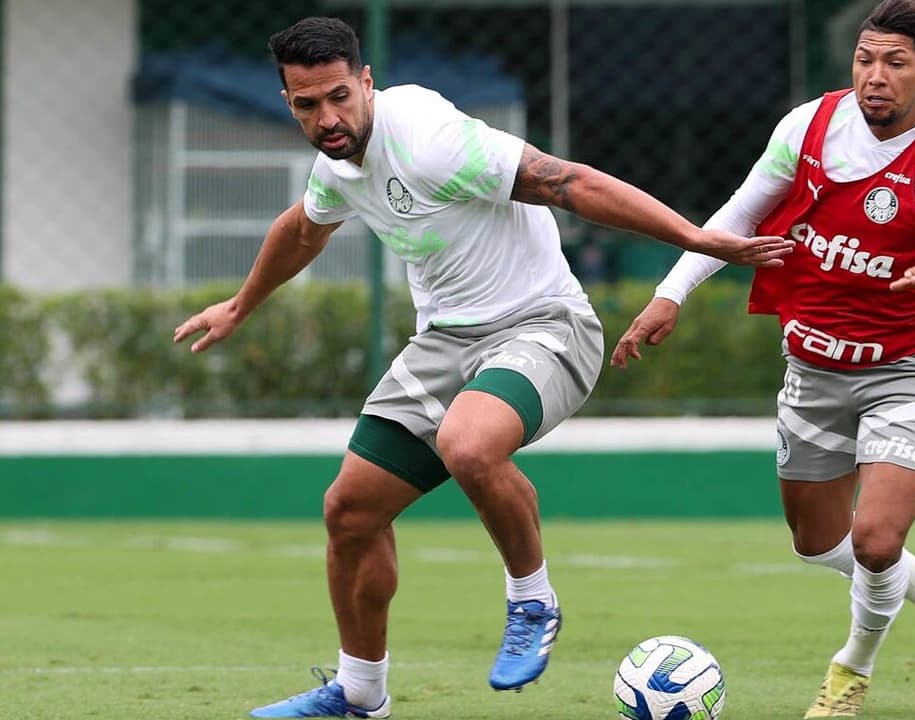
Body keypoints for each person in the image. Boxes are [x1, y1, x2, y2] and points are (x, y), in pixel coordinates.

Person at [173, 16, 793, 719]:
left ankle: (533, 600)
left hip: (544, 326)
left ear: (366, 81)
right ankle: (359, 693)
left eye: (339, 96)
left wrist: (689, 236)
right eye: (306, 106)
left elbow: (569, 182)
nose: (327, 118)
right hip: (444, 344)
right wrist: (241, 305)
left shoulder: (433, 139)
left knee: (468, 444)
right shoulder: (337, 164)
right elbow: (303, 229)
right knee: (350, 511)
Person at [610, 0, 915, 716]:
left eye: (895, 63)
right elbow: (736, 217)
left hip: (907, 370)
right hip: (813, 368)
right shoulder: (807, 125)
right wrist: (670, 294)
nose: (876, 77)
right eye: (865, 60)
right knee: (816, 543)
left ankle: (848, 675)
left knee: (874, 540)